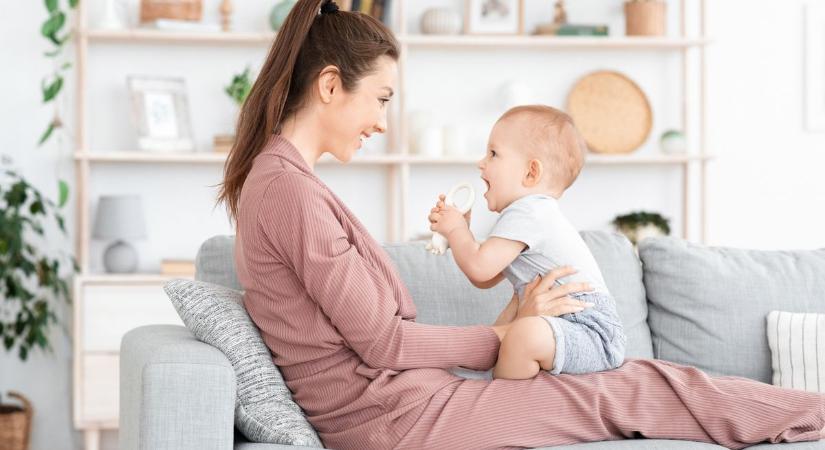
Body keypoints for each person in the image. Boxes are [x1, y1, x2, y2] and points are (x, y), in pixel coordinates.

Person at [216, 0, 825, 449]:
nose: (382, 121)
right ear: (329, 85)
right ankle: (811, 414)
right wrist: (507, 336)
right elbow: (385, 344)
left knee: (639, 377)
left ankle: (807, 412)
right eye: (380, 98)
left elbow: (376, 337)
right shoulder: (287, 191)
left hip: (403, 402)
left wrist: (510, 328)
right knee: (631, 386)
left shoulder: (284, 182)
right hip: (391, 421)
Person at [429, 105, 626, 380]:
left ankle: (501, 400)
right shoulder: (528, 218)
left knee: (523, 336)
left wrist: (456, 230)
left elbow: (479, 268)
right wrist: (464, 233)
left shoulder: (529, 211)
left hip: (590, 330)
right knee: (516, 335)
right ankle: (501, 387)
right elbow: (484, 278)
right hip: (569, 326)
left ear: (531, 173)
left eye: (493, 153)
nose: (481, 163)